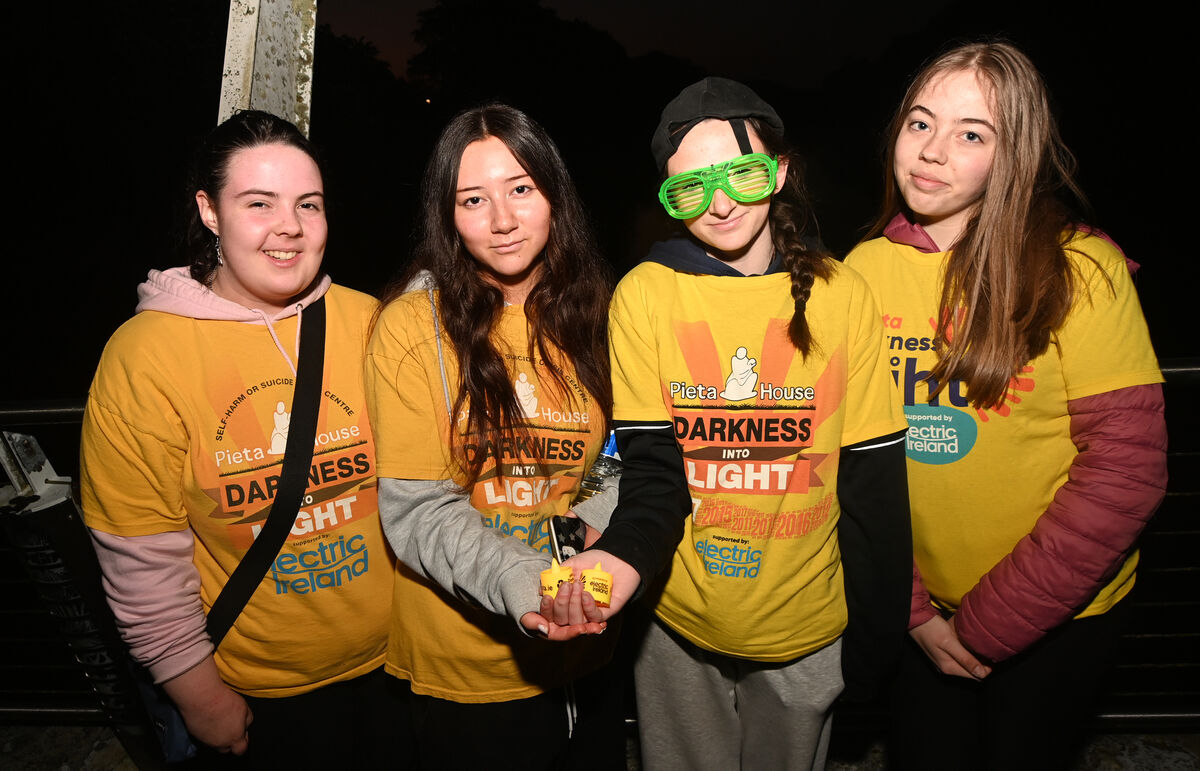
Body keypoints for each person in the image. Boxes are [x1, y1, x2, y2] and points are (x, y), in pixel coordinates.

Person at [553, 77, 912, 770]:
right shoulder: (645, 295)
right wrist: (618, 557)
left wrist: (875, 641)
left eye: (741, 174)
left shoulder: (842, 294)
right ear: (668, 196)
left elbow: (872, 486)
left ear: (777, 172)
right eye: (691, 187)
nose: (719, 203)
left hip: (808, 629)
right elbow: (652, 472)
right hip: (676, 628)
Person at [845, 41, 1168, 770]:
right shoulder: (862, 270)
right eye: (920, 123)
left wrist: (988, 625)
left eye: (971, 135)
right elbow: (852, 460)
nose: (932, 152)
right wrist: (915, 611)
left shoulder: (1082, 269)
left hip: (1059, 620)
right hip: (919, 617)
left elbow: (1127, 470)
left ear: (1013, 154)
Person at [80, 111, 402, 767]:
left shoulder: (373, 322)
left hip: (400, 671)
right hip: (258, 699)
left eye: (307, 204)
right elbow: (140, 553)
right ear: (209, 209)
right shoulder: (145, 356)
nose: (290, 226)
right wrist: (197, 694)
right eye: (259, 203)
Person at [365, 103, 624, 769]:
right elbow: (418, 507)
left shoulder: (596, 312)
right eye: (474, 199)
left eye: (520, 190)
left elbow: (616, 458)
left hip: (588, 646)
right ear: (447, 214)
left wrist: (587, 533)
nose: (502, 220)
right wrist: (530, 580)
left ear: (553, 196)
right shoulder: (412, 328)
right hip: (468, 669)